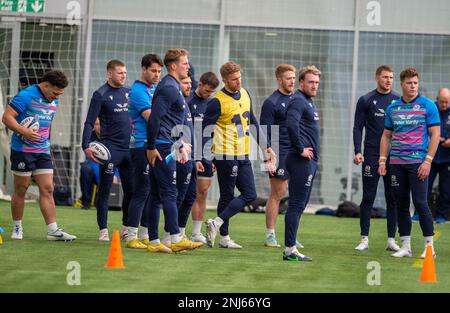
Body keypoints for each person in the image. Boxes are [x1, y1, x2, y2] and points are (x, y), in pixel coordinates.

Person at [203, 61, 276, 249]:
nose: (238, 81)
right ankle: (224, 238)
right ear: (225, 80)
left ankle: (216, 223)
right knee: (227, 195)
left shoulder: (245, 93)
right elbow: (204, 131)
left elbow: (252, 121)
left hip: (243, 153)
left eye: (239, 77)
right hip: (225, 154)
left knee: (250, 194)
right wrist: (205, 157)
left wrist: (265, 146)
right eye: (234, 79)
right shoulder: (216, 101)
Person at [2, 70, 76, 241]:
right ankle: (17, 227)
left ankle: (53, 230)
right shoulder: (25, 96)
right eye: (55, 93)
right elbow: (6, 117)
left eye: (60, 94)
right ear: (45, 85)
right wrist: (23, 131)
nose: (57, 97)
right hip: (22, 151)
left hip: (42, 150)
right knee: (21, 189)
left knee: (48, 188)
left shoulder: (53, 100)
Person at [379, 67, 440, 258]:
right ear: (402, 84)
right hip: (396, 163)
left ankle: (429, 247)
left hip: (418, 163)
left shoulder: (428, 105)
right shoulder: (393, 108)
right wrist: (382, 160)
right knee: (401, 204)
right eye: (409, 83)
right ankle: (406, 246)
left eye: (415, 83)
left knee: (421, 203)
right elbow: (386, 135)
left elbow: (435, 134)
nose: (413, 86)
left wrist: (428, 161)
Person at [146, 48, 203, 253]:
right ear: (173, 66)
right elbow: (155, 118)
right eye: (185, 63)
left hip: (168, 144)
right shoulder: (169, 87)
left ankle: (154, 242)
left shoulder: (174, 86)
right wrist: (151, 147)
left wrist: (180, 143)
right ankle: (176, 237)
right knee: (169, 193)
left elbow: (170, 121)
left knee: (155, 195)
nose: (188, 66)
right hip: (162, 147)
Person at [82, 59, 134, 242]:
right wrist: (85, 145)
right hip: (110, 150)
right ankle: (103, 230)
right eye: (120, 72)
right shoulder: (100, 94)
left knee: (131, 190)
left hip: (130, 150)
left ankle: (126, 227)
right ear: (110, 73)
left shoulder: (129, 92)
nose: (123, 75)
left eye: (125, 73)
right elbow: (89, 122)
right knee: (104, 190)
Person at [352, 65, 400, 251]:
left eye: (391, 77)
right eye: (385, 77)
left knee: (393, 198)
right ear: (377, 77)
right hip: (371, 155)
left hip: (393, 157)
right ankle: (364, 239)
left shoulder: (398, 100)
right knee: (368, 197)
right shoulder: (366, 100)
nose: (388, 80)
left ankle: (391, 240)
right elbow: (358, 127)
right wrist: (358, 151)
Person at [260, 64, 305, 249]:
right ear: (279, 79)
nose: (292, 81)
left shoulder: (298, 99)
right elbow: (263, 132)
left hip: (298, 152)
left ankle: (291, 235)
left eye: (294, 77)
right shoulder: (271, 102)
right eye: (288, 78)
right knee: (278, 193)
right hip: (278, 152)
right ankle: (270, 235)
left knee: (296, 195)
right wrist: (267, 157)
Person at [125, 53, 163, 250]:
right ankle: (131, 236)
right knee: (142, 190)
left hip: (152, 145)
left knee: (151, 191)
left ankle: (144, 233)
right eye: (153, 71)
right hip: (140, 146)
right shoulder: (138, 91)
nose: (157, 75)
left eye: (159, 71)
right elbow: (152, 119)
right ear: (144, 69)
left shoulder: (154, 89)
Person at [283, 65, 322, 261]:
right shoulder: (298, 100)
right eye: (310, 82)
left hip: (308, 161)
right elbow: (291, 124)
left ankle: (292, 245)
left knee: (300, 204)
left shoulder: (308, 101)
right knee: (296, 204)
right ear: (301, 83)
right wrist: (300, 149)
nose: (314, 86)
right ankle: (290, 249)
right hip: (300, 160)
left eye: (316, 82)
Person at [188, 72, 220, 243]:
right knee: (186, 194)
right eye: (207, 91)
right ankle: (176, 231)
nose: (209, 95)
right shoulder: (188, 102)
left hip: (207, 154)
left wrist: (213, 158)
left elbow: (214, 132)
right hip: (189, 154)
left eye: (211, 93)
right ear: (199, 84)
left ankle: (196, 232)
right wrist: (193, 156)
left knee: (202, 192)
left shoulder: (211, 104)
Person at [427, 88, 450, 224]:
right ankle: (419, 214)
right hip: (431, 157)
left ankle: (442, 215)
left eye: (446, 102)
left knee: (445, 189)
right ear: (437, 99)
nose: (444, 105)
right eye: (441, 102)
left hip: (447, 159)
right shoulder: (431, 109)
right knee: (424, 187)